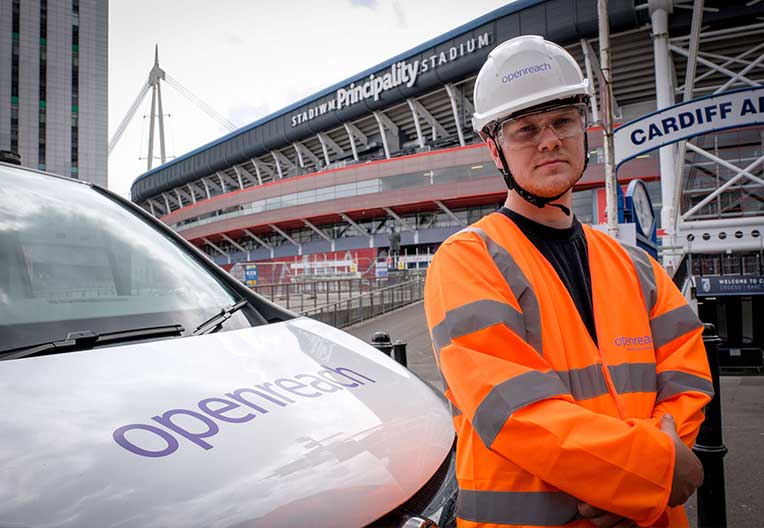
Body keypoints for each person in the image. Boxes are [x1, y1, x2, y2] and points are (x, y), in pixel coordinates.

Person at [423, 35, 713, 528]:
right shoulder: (469, 260)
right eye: (526, 129)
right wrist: (645, 472)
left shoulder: (636, 265)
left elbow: (686, 379)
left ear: (585, 127)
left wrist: (635, 479)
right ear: (494, 150)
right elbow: (516, 412)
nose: (550, 139)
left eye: (562, 121)